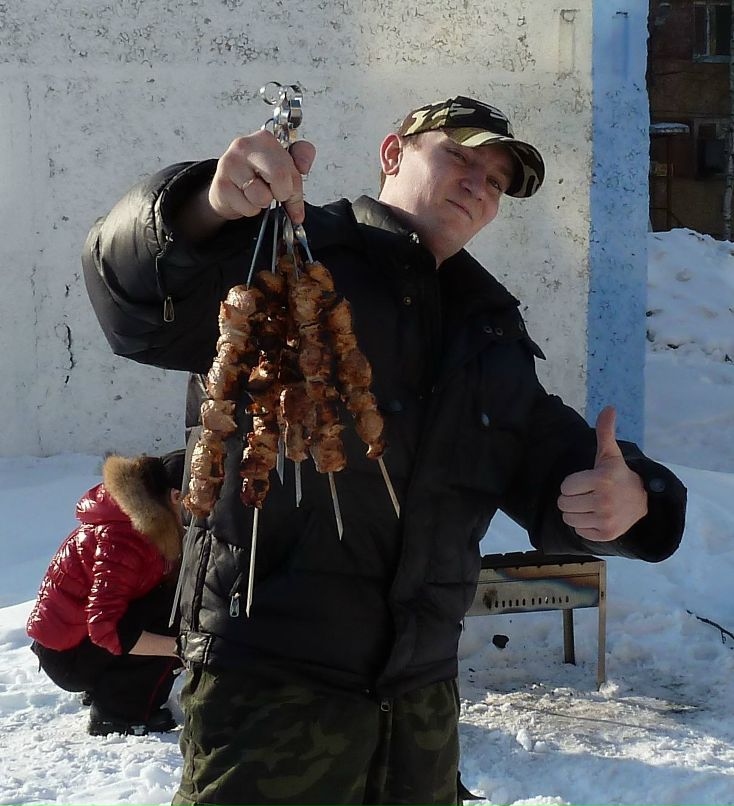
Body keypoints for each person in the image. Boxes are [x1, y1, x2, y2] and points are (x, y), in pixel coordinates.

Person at [82, 96, 686, 804]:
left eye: (494, 180)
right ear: (393, 153)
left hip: (419, 706)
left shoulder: (489, 335)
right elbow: (134, 304)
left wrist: (634, 500)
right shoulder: (285, 254)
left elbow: (556, 460)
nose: (477, 184)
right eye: (459, 157)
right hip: (271, 693)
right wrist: (201, 207)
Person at [27, 450, 186, 736]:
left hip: (78, 640)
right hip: (67, 657)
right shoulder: (123, 538)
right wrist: (182, 649)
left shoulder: (151, 521)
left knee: (174, 604)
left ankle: (108, 683)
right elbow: (105, 627)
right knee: (172, 625)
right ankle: (118, 713)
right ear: (176, 496)